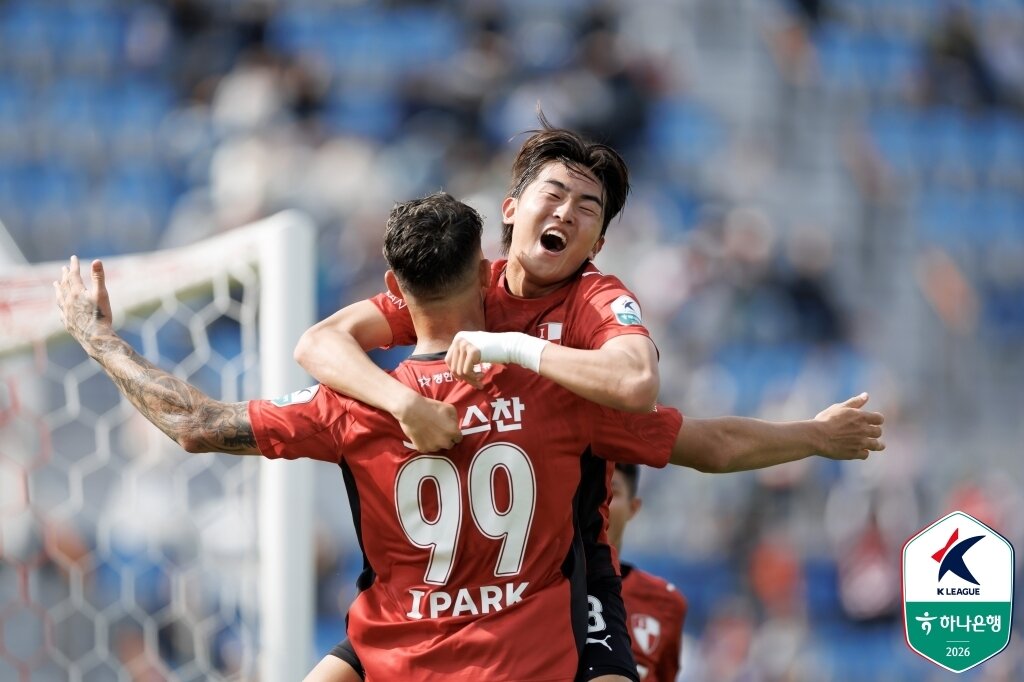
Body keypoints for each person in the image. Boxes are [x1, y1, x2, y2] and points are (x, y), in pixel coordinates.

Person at [57, 193, 884, 682]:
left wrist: (99, 339)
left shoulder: (352, 404)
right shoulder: (557, 390)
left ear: (393, 289)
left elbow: (194, 424)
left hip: (395, 666)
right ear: (486, 269)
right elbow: (710, 444)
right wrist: (812, 437)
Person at [294, 119, 885, 681]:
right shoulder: (460, 284)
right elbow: (320, 343)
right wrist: (404, 406)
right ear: (511, 209)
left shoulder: (593, 301)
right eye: (552, 194)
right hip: (429, 593)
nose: (565, 213)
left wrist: (515, 349)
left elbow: (637, 386)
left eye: (587, 209)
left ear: (597, 243)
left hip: (561, 579)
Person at [608, 463, 687, 682]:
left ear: (633, 508)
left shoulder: (665, 603)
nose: (600, 504)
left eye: (612, 493)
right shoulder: (543, 590)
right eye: (591, 491)